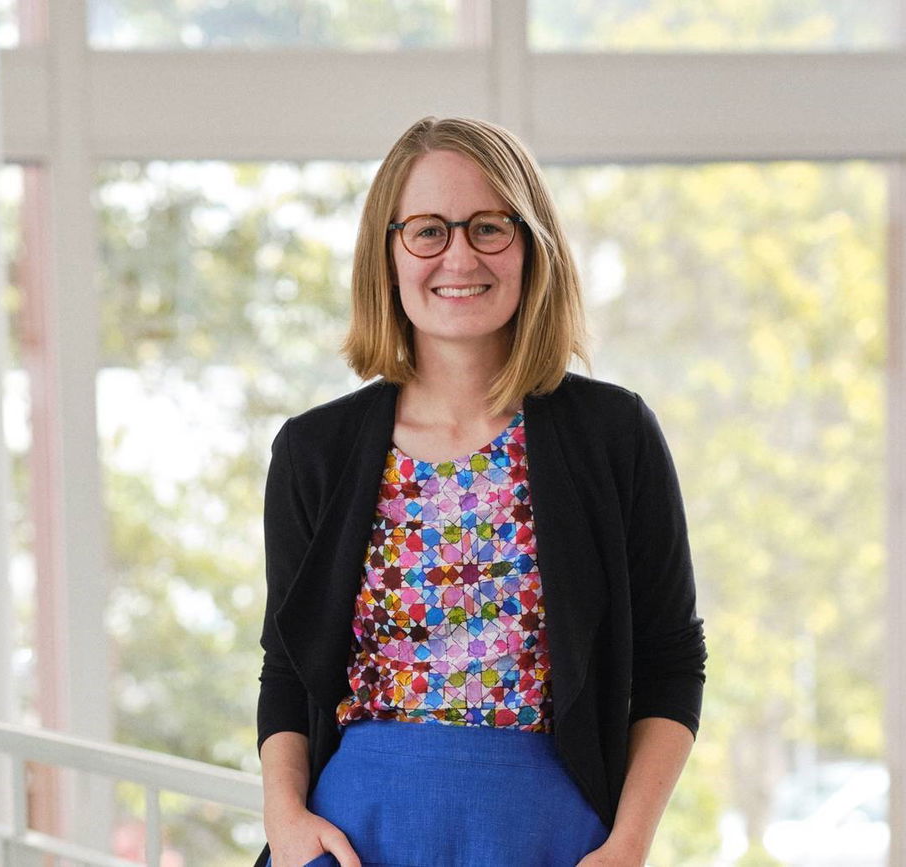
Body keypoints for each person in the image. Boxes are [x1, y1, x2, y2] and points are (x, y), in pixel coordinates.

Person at [255, 115, 706, 867]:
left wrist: (628, 845)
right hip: (355, 835)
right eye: (428, 230)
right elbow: (286, 666)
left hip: (546, 837)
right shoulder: (314, 450)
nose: (459, 254)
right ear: (388, 253)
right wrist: (284, 821)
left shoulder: (614, 433)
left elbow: (671, 661)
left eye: (490, 226)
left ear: (532, 245)